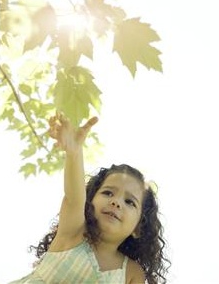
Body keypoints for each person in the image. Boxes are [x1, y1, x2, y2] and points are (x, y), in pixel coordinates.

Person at [9, 113, 170, 284]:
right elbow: (73, 197)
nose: (116, 202)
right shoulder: (74, 231)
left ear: (138, 228)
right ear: (89, 202)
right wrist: (74, 152)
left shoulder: (131, 272)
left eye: (129, 202)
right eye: (108, 193)